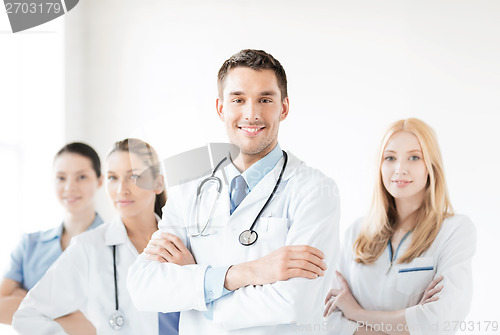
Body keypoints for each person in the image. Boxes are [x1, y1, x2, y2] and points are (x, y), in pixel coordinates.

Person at [128, 49, 340, 334]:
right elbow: (144, 287)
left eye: (265, 100)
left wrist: (199, 290)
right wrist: (247, 273)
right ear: (220, 108)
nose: (251, 114)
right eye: (238, 99)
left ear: (284, 108)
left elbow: (296, 303)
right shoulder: (191, 186)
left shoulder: (314, 190)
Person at [324, 118, 476, 335]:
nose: (400, 168)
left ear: (431, 166)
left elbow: (440, 320)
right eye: (390, 158)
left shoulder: (454, 231)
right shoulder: (356, 232)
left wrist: (357, 313)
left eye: (414, 157)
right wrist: (412, 320)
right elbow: (327, 318)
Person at [13, 138, 180, 335]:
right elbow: (27, 316)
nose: (121, 190)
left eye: (133, 177)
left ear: (158, 182)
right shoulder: (88, 248)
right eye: (112, 178)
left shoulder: (183, 239)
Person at [0, 142, 103, 332]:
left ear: (99, 181)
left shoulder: (112, 245)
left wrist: (28, 303)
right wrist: (73, 315)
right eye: (61, 178)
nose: (70, 187)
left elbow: (97, 327)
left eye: (81, 177)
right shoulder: (29, 244)